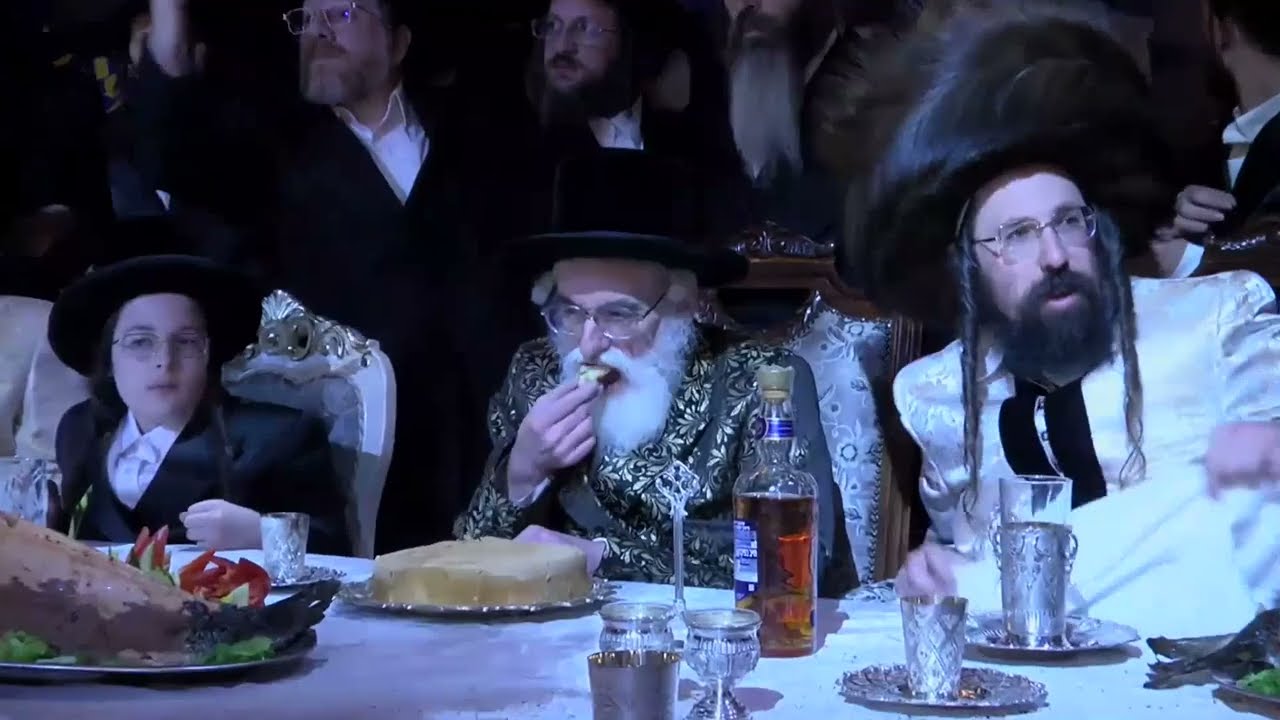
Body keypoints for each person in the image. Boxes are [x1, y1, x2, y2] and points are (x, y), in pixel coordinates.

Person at [824, 3, 1279, 603]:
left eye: (1069, 221)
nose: (1055, 255)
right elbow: (958, 560)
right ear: (969, 267)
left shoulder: (1220, 319)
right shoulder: (938, 396)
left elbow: (1260, 519)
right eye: (1017, 235)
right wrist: (936, 573)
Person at [455, 150, 856, 595]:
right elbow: (466, 563)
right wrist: (522, 473)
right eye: (569, 313)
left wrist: (600, 557)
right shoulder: (535, 371)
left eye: (619, 315)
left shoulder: (763, 382)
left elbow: (796, 563)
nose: (589, 344)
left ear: (682, 307)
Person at [46, 246, 351, 554]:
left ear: (208, 355)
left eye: (186, 342)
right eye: (140, 342)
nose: (164, 361)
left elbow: (338, 549)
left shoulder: (277, 437)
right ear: (108, 360)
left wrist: (261, 533)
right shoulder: (79, 427)